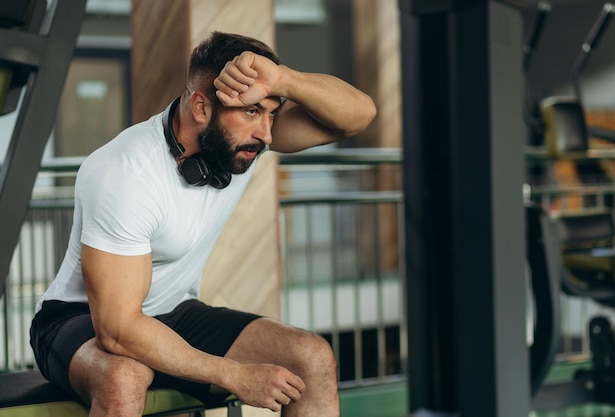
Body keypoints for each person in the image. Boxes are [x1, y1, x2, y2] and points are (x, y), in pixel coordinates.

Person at [29, 31, 376, 417]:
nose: (266, 132)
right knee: (125, 376)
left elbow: (357, 117)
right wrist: (235, 375)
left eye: (272, 111)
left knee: (311, 357)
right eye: (251, 111)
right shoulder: (125, 173)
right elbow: (117, 329)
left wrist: (283, 80)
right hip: (79, 323)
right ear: (201, 108)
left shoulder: (237, 144)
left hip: (175, 313)